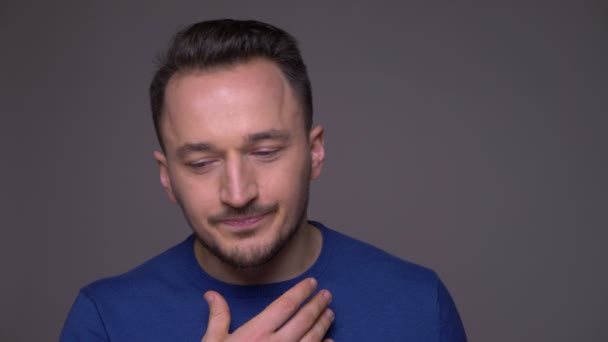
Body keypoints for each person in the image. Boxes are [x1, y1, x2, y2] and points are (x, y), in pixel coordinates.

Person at [60, 19, 467, 341]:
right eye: (202, 162)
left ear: (315, 152)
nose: (238, 194)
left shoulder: (417, 304)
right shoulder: (106, 320)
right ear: (167, 177)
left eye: (265, 152)